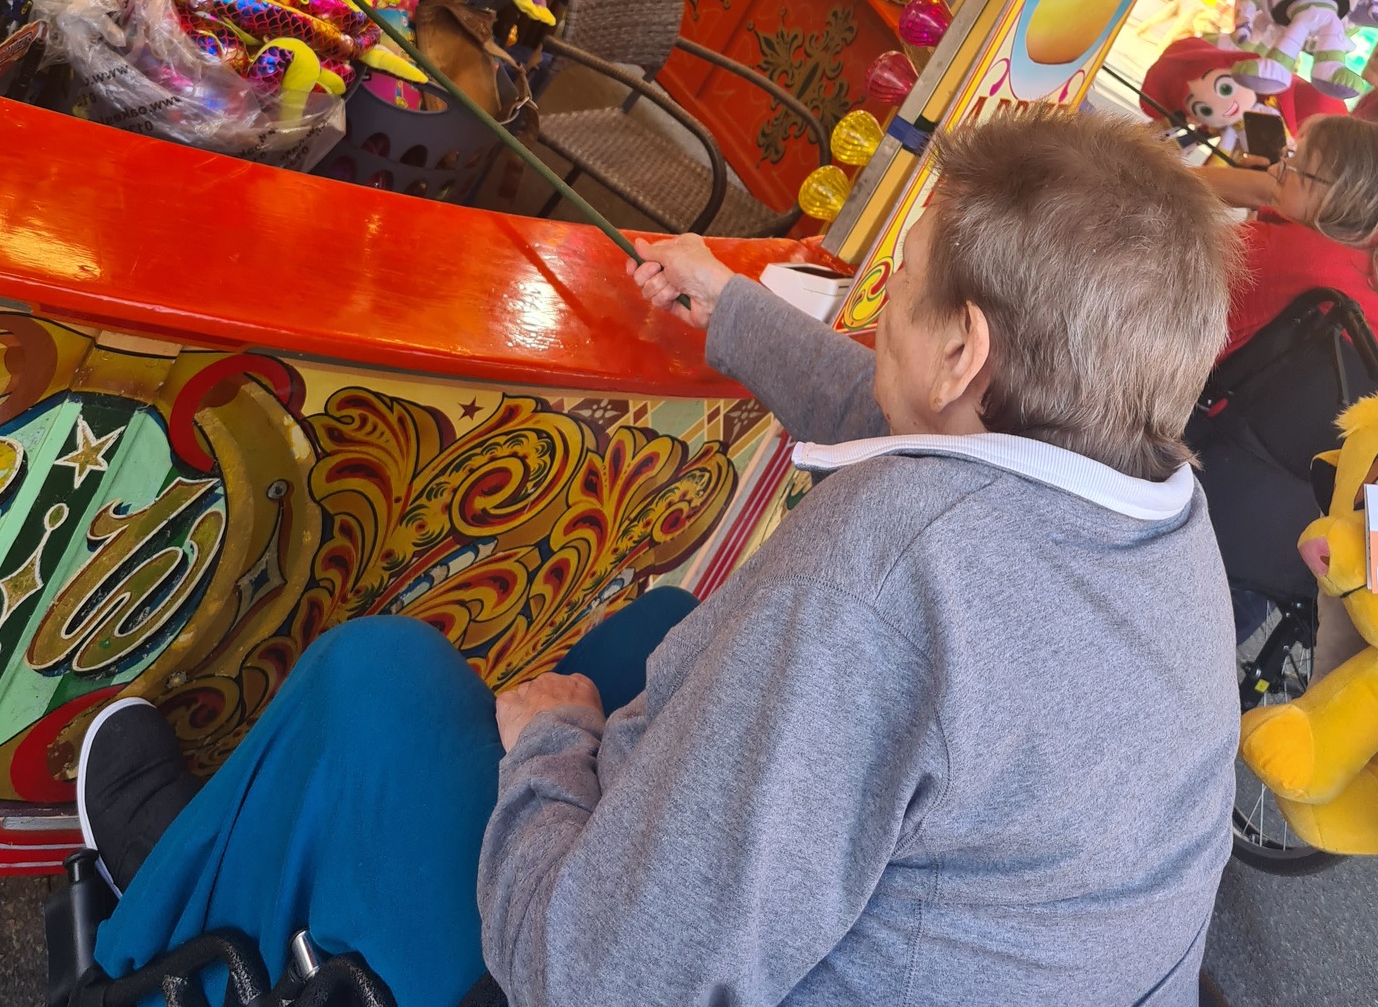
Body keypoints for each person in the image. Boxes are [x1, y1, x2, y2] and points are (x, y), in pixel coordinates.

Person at [77, 109, 1239, 1007]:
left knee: (380, 676)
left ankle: (173, 922)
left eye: (901, 286)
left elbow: (600, 974)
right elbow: (920, 416)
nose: (881, 312)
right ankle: (282, 859)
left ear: (964, 346)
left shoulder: (880, 580)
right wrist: (732, 308)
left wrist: (549, 747)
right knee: (653, 628)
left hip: (598, 975)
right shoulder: (1158, 504)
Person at [1197, 111, 1378, 353]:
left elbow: (1160, 261)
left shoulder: (1275, 249)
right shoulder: (1373, 263)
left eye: (1295, 166)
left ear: (1342, 198)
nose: (1275, 171)